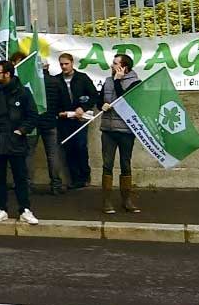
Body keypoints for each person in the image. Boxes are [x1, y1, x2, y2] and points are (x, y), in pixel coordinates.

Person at [0, 60, 39, 225]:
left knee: (20, 177)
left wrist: (22, 130)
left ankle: (25, 209)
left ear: (7, 74)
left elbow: (33, 115)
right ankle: (1, 208)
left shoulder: (23, 92)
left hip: (16, 141)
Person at [99, 54, 141, 214]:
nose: (112, 65)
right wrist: (101, 104)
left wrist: (118, 80)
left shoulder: (135, 82)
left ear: (124, 67)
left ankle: (126, 200)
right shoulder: (107, 81)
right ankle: (107, 201)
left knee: (125, 164)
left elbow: (125, 100)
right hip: (108, 129)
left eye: (115, 63)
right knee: (107, 164)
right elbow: (99, 99)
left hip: (125, 130)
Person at [56, 53, 99, 191]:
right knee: (68, 149)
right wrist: (60, 112)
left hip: (80, 119)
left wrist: (83, 107)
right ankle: (75, 179)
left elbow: (93, 95)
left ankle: (85, 176)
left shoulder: (82, 78)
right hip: (65, 120)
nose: (64, 67)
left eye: (66, 64)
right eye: (61, 64)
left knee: (80, 146)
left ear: (72, 63)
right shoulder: (57, 80)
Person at [28, 60, 66, 195]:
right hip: (50, 121)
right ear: (47, 67)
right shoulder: (55, 81)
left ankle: (27, 185)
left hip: (33, 122)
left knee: (29, 154)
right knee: (53, 154)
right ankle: (56, 185)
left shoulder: (31, 81)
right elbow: (64, 100)